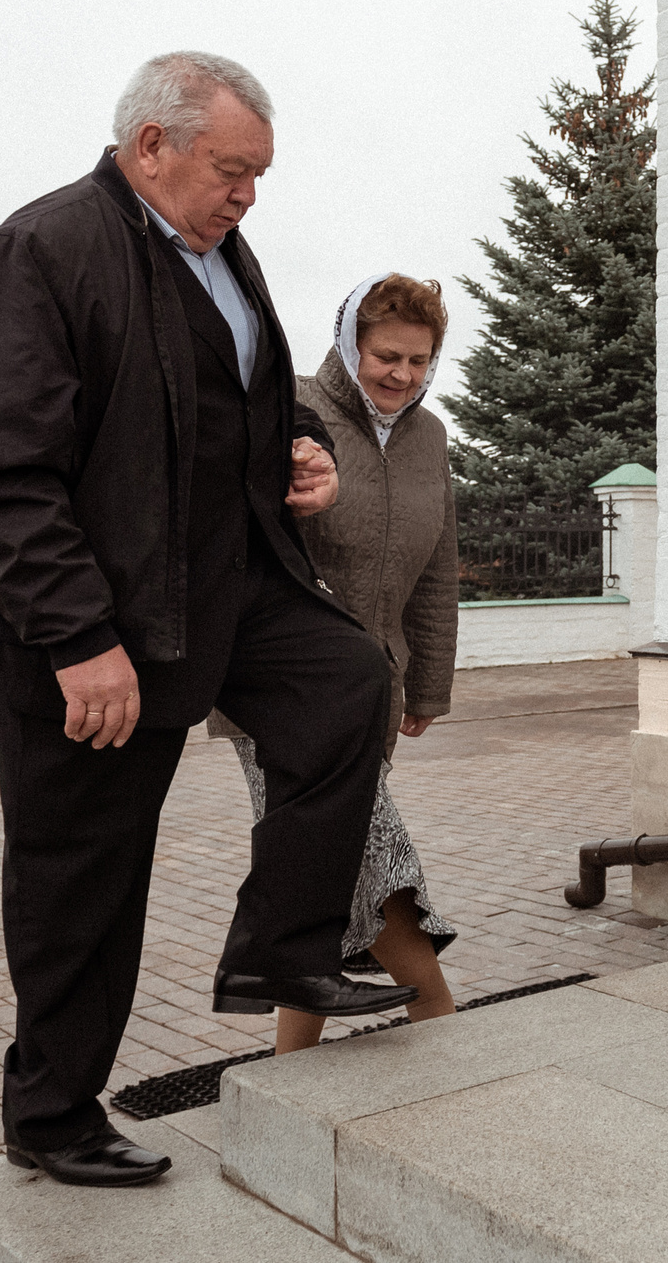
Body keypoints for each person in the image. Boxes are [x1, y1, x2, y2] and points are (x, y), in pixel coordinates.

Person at [0, 51, 415, 1189]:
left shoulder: (225, 259)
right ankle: (53, 1111)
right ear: (151, 146)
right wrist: (74, 637)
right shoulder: (44, 249)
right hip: (94, 626)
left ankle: (285, 948)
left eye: (259, 174)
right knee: (86, 876)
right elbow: (3, 475)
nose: (248, 194)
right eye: (231, 169)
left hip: (223, 587)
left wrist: (290, 460)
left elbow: (220, 419)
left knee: (348, 684)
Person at [218, 272, 462, 1054]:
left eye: (420, 361)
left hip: (374, 691)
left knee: (326, 879)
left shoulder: (430, 439)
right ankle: (453, 1039)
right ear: (349, 343)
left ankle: (289, 1068)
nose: (403, 375)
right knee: (379, 868)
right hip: (282, 691)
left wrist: (425, 683)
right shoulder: (296, 410)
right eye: (387, 355)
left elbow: (437, 570)